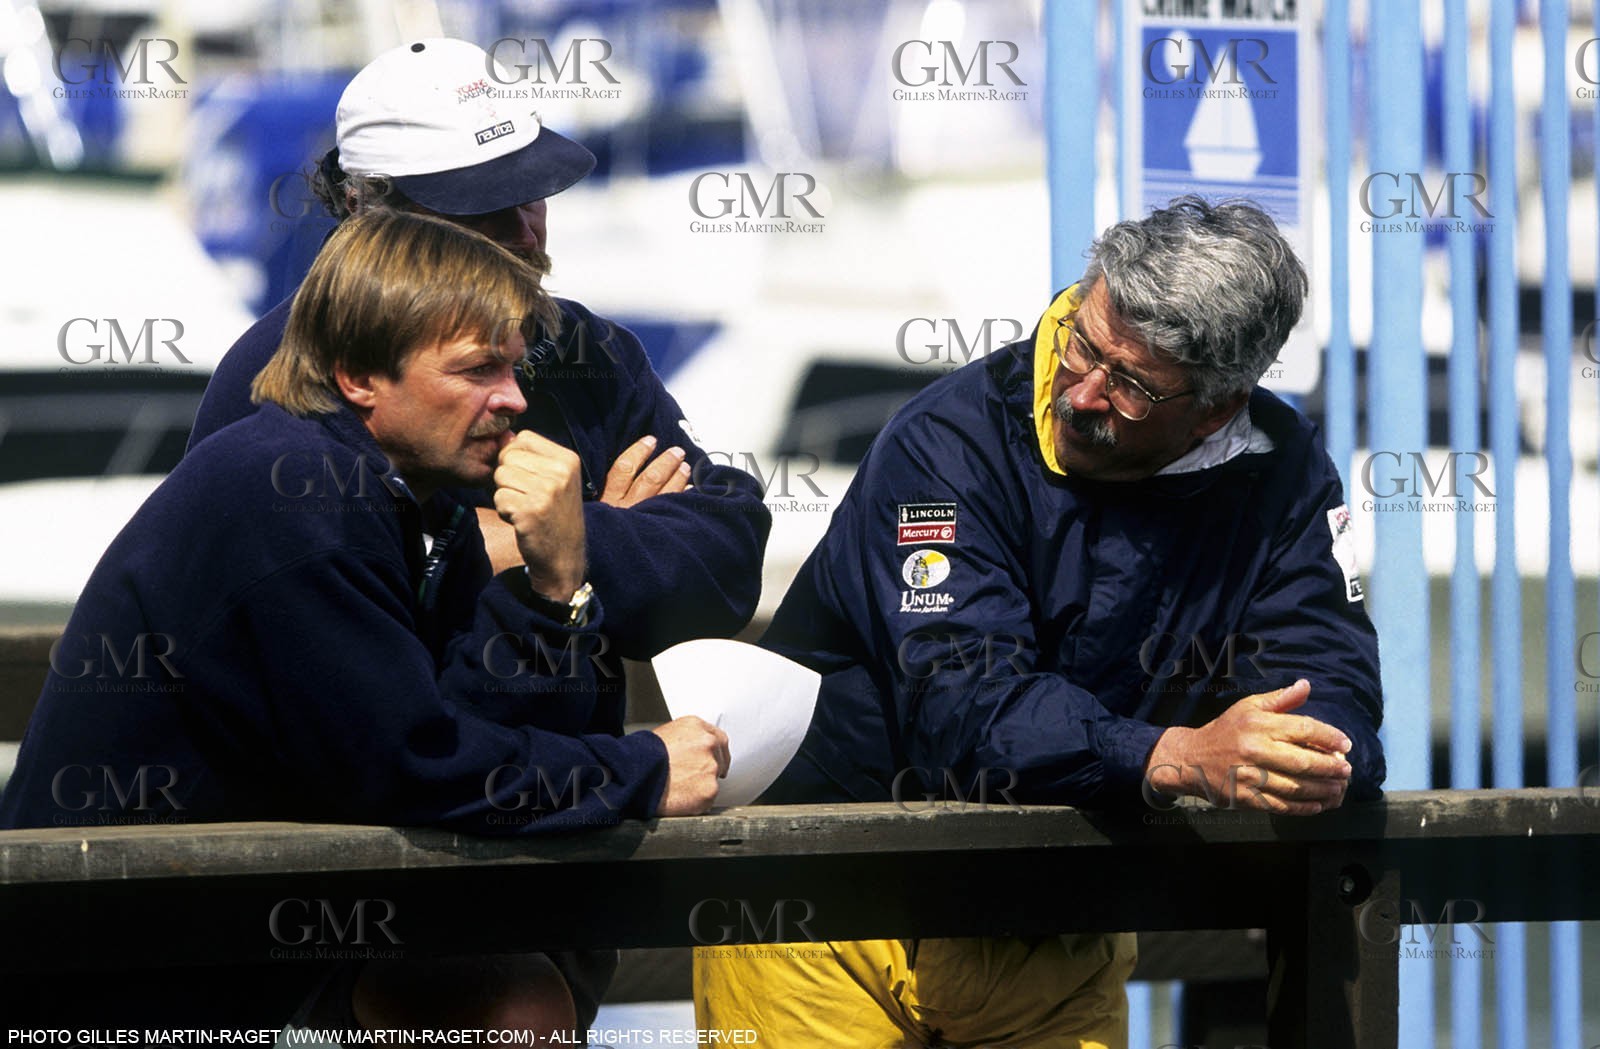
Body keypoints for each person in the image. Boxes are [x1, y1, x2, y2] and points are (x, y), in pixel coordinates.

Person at [0, 210, 731, 1035]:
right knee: (512, 1007)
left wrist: (556, 580)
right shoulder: (295, 496)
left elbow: (474, 716)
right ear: (357, 376)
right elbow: (411, 763)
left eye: (515, 367)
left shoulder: (403, 493)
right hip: (104, 966)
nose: (516, 400)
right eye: (478, 369)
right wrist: (641, 769)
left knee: (513, 1000)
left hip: (257, 925)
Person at [694, 197, 1386, 1047]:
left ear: (1215, 409)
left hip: (1057, 926)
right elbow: (965, 707)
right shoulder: (944, 445)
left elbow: (1328, 670)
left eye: (1131, 384)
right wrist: (1175, 756)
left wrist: (1308, 754)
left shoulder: (1279, 471)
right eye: (1082, 340)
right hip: (820, 913)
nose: (1082, 389)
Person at [187, 37, 769, 662]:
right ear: (365, 210)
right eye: (483, 205)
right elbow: (335, 650)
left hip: (562, 758)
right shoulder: (282, 375)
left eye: (532, 192)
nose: (524, 231)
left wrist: (553, 542)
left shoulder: (588, 351)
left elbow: (726, 567)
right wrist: (584, 545)